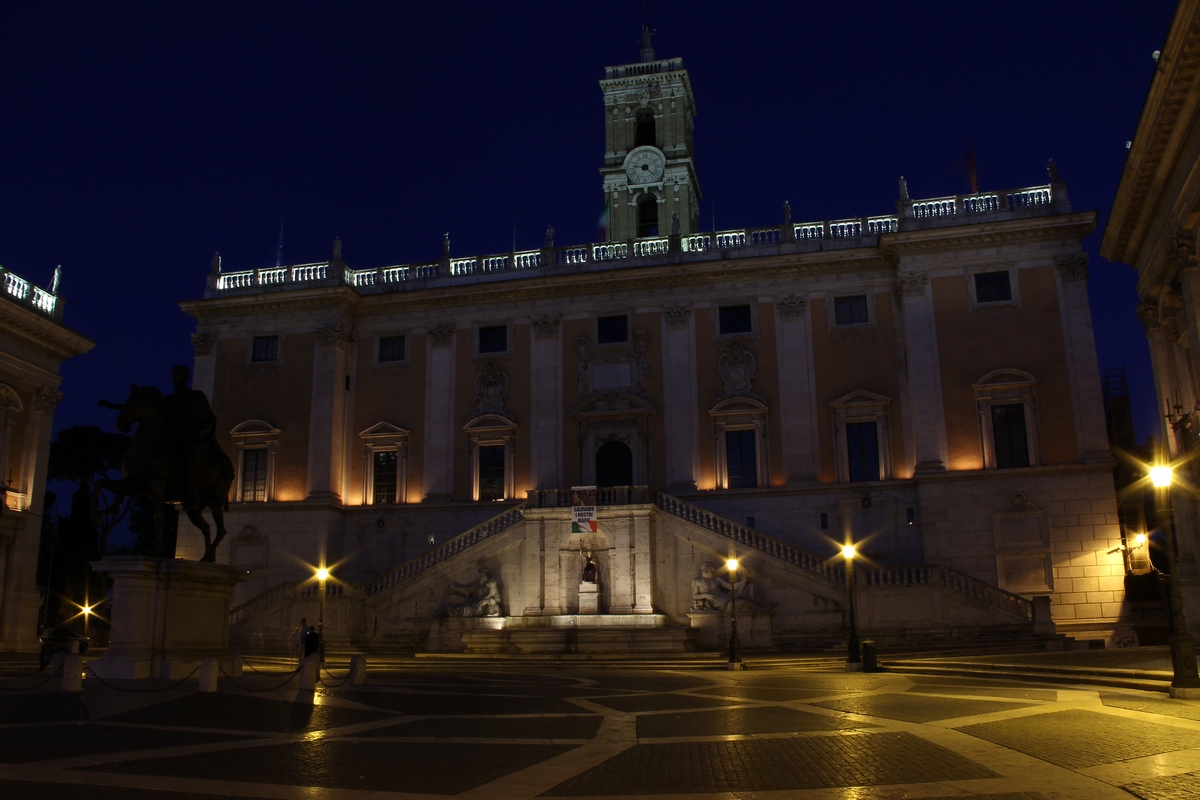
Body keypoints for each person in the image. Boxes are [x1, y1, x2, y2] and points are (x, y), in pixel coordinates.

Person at [167, 364, 231, 509]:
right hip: (179, 439)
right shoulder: (171, 399)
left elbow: (210, 420)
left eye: (179, 380)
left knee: (193, 459)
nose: (176, 383)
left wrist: (199, 433)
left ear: (185, 380)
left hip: (196, 439)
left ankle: (194, 495)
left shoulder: (197, 397)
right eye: (174, 380)